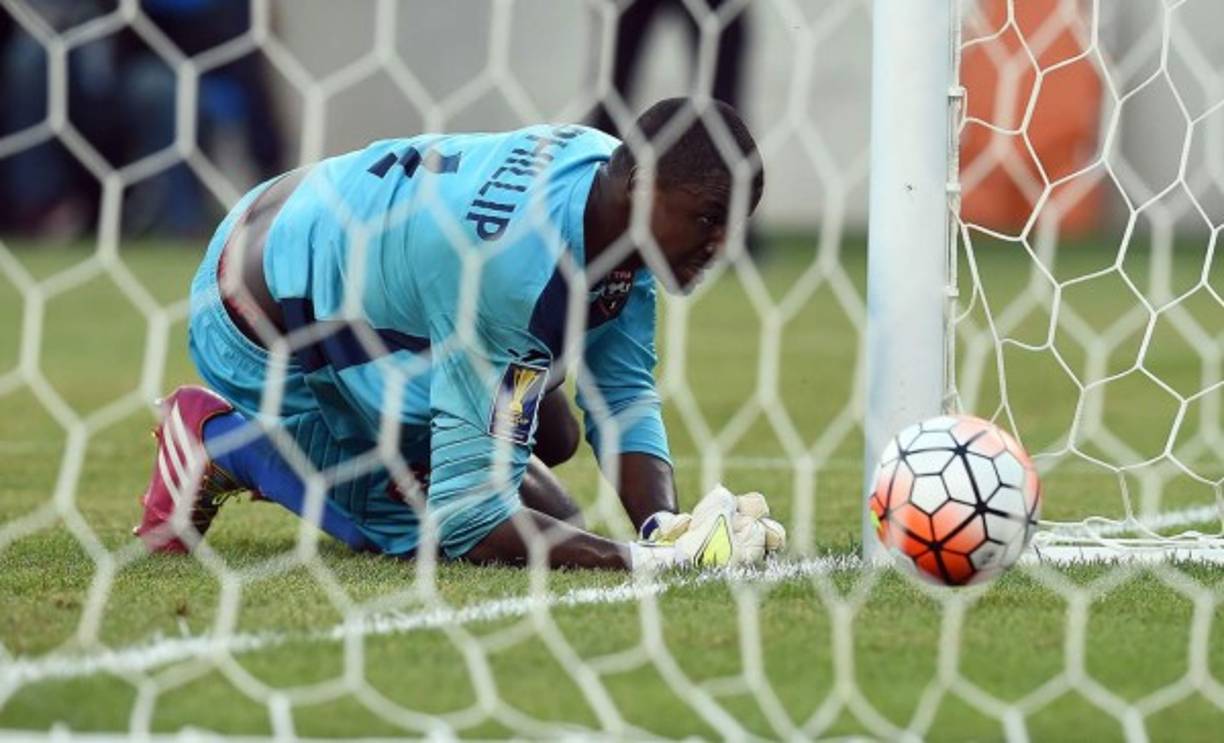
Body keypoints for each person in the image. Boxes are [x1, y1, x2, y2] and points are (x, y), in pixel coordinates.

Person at [132, 97, 784, 571]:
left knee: (554, 458)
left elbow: (624, 392)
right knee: (439, 533)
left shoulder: (606, 179)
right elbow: (471, 520)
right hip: (255, 316)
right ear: (641, 188)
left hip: (317, 226)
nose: (721, 244)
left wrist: (665, 527)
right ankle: (219, 439)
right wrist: (647, 563)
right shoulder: (512, 268)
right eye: (708, 218)